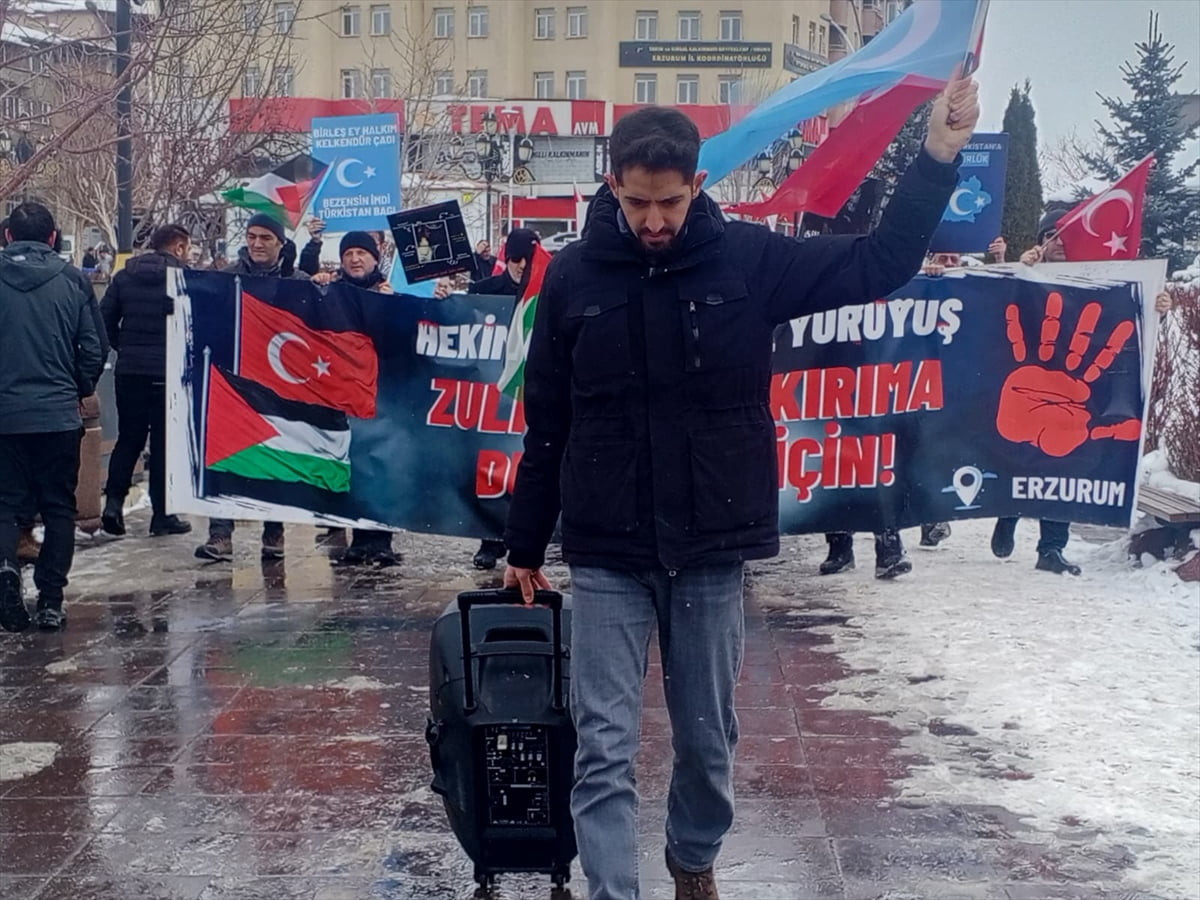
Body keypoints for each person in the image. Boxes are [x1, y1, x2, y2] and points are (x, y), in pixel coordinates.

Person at [502, 81, 978, 899]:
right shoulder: (575, 278)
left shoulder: (752, 260)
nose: (655, 221)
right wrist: (522, 542)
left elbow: (881, 261)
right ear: (613, 185)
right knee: (603, 745)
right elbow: (546, 419)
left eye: (672, 202)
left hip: (712, 544)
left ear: (698, 187)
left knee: (707, 742)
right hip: (607, 545)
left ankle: (693, 858)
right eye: (640, 202)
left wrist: (936, 154)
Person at [993, 215, 1171, 575]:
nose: (1058, 242)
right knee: (1020, 460)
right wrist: (1011, 268)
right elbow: (994, 302)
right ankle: (1007, 512)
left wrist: (1157, 308)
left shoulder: (1104, 282)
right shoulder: (1030, 277)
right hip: (1029, 385)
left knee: (1066, 465)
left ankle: (1051, 549)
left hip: (1080, 389)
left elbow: (1132, 328)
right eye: (1050, 236)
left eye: (1066, 236)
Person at [0, 202, 104, 632]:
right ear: (52, 238)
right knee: (59, 508)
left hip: (4, 416)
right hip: (59, 415)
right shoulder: (73, 282)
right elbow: (94, 348)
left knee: (4, 505)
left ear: (7, 237)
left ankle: (6, 570)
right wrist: (79, 389)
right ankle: (50, 599)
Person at [194, 213, 309, 563]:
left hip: (279, 385)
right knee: (225, 456)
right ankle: (220, 535)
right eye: (252, 236)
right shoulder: (227, 278)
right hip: (234, 381)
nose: (257, 243)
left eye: (265, 238)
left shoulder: (297, 281)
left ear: (280, 243)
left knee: (276, 457)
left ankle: (274, 533)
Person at [311, 232, 401, 567]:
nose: (355, 259)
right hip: (340, 393)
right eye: (348, 253)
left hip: (379, 394)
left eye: (362, 252)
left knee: (379, 466)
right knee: (350, 466)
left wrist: (394, 306)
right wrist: (315, 284)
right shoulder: (331, 291)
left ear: (376, 258)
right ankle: (356, 539)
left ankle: (380, 540)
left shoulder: (386, 292)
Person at [100, 224, 194, 539]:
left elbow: (104, 321)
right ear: (179, 247)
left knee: (129, 438)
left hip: (130, 371)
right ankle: (162, 514)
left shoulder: (124, 277)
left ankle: (113, 504)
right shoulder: (184, 279)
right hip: (170, 373)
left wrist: (123, 348)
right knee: (166, 444)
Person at [466, 228, 541, 570]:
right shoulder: (484, 292)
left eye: (527, 261)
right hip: (492, 393)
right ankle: (490, 541)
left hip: (532, 392)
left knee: (527, 469)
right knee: (491, 469)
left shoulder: (547, 290)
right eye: (515, 260)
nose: (521, 267)